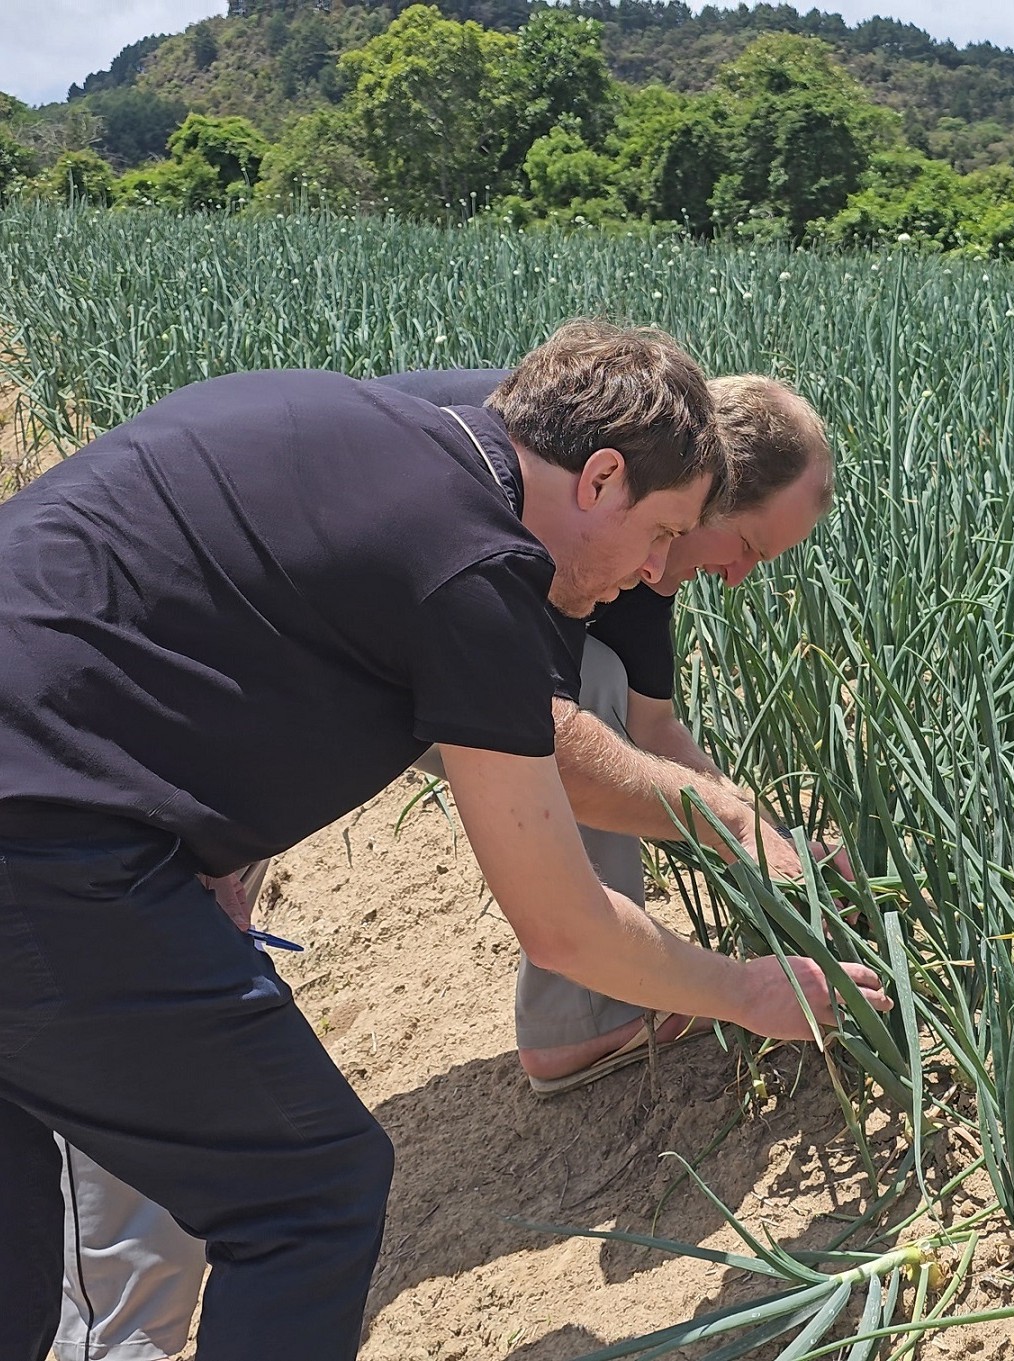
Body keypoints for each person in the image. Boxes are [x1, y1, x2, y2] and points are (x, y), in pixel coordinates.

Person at [0, 321, 891, 1361]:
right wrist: (746, 991)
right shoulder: (473, 567)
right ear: (602, 476)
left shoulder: (369, 425)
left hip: (57, 793)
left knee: (19, 1231)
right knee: (308, 1192)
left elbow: (171, 611)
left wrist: (199, 848)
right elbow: (564, 926)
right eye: (661, 533)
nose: (661, 569)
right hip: (43, 844)